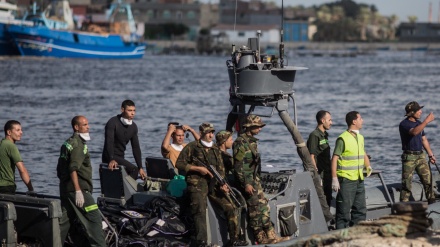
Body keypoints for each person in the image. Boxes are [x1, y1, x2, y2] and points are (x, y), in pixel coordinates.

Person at [176, 123, 246, 247]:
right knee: (200, 210)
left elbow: (220, 169)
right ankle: (201, 241)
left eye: (212, 132)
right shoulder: (192, 147)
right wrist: (197, 169)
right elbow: (179, 164)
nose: (211, 135)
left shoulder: (215, 149)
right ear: (202, 133)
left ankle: (234, 239)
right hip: (197, 183)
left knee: (230, 206)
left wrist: (223, 184)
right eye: (208, 132)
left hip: (214, 184)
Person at [233, 115, 289, 244]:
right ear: (250, 127)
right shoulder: (240, 142)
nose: (260, 129)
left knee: (264, 208)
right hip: (247, 182)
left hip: (254, 181)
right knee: (254, 210)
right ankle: (261, 238)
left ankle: (272, 236)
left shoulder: (252, 142)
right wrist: (246, 184)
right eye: (257, 127)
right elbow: (238, 166)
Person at [57, 116, 106, 246]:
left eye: (87, 124)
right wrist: (78, 190)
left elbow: (60, 169)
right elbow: (73, 168)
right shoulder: (79, 145)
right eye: (84, 125)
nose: (88, 127)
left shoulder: (68, 143)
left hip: (66, 189)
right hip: (79, 190)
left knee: (64, 222)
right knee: (94, 220)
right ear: (76, 127)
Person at [331, 111, 372, 229]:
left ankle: (356, 235)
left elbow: (362, 151)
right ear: (354, 121)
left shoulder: (360, 137)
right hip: (346, 180)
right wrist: (334, 179)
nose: (362, 120)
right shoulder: (342, 138)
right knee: (343, 212)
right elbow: (334, 159)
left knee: (360, 210)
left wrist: (368, 166)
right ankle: (340, 238)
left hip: (359, 179)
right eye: (360, 118)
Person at [399, 101, 436, 204]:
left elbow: (424, 139)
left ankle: (432, 203)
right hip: (409, 157)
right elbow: (415, 132)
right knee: (406, 184)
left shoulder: (419, 124)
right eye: (418, 110)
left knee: (428, 181)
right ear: (412, 113)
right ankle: (403, 206)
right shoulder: (404, 124)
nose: (421, 112)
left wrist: (430, 154)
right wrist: (426, 121)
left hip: (420, 156)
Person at [102, 99, 147, 180]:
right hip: (109, 156)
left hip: (120, 156)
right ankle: (125, 189)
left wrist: (140, 167)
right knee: (134, 170)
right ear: (122, 110)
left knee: (135, 170)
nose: (132, 113)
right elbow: (109, 142)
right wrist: (111, 159)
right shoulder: (112, 122)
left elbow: (136, 148)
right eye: (129, 110)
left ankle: (125, 189)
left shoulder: (133, 126)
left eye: (134, 110)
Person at [307, 110, 333, 208]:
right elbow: (311, 156)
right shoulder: (314, 135)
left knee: (328, 198)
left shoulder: (325, 134)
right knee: (320, 199)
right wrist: (316, 175)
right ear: (323, 120)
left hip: (327, 172)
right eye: (329, 120)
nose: (331, 122)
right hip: (320, 174)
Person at [0, 120, 34, 194]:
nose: (21, 132)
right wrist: (31, 190)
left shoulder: (1, 144)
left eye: (21, 130)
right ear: (9, 132)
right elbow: (22, 170)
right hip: (6, 187)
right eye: (18, 130)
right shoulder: (11, 146)